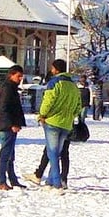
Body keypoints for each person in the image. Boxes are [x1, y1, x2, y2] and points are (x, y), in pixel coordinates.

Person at [36, 59, 79, 188]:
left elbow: (48, 101)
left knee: (52, 153)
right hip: (66, 123)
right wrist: (70, 116)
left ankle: (56, 182)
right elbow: (78, 106)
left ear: (56, 69)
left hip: (52, 121)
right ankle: (50, 181)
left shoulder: (54, 82)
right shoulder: (74, 86)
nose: (51, 70)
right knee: (57, 152)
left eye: (52, 68)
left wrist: (42, 114)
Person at [0, 64, 26, 190]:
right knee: (5, 154)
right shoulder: (8, 88)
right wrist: (12, 124)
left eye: (21, 77)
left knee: (10, 155)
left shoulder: (11, 88)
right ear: (11, 75)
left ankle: (13, 180)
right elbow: (4, 108)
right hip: (6, 126)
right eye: (18, 76)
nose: (20, 79)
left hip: (8, 125)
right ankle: (2, 181)